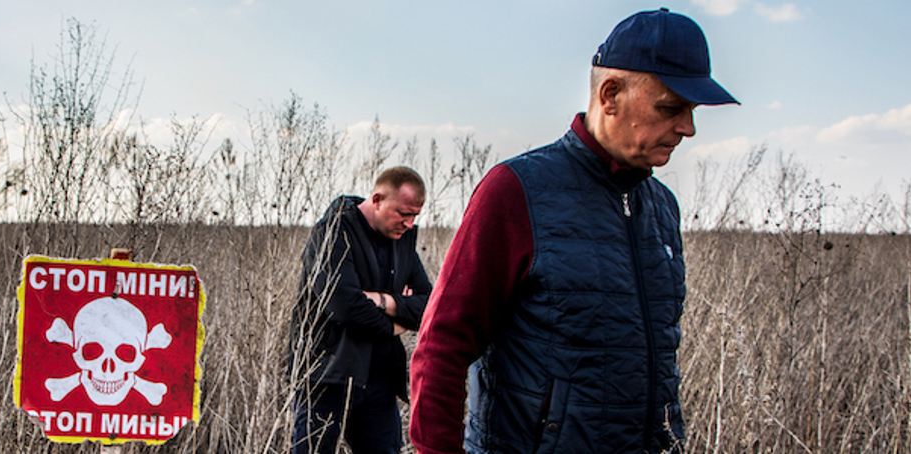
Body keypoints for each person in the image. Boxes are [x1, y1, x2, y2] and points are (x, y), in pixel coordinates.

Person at [409, 9, 738, 454]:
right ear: (610, 94)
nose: (688, 128)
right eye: (670, 108)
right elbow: (442, 345)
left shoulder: (661, 207)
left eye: (692, 111)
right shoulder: (516, 191)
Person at [290, 166, 434, 454]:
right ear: (378, 199)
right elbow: (345, 306)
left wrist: (384, 301)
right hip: (327, 376)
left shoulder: (403, 241)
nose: (408, 223)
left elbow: (429, 304)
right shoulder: (333, 232)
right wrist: (395, 325)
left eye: (415, 216)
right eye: (403, 213)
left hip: (379, 380)